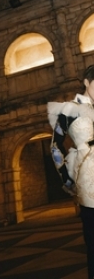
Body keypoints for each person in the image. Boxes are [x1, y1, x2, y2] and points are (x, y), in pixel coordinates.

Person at [47, 65, 94, 279]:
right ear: (86, 82)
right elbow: (55, 145)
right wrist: (67, 180)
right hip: (89, 180)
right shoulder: (70, 109)